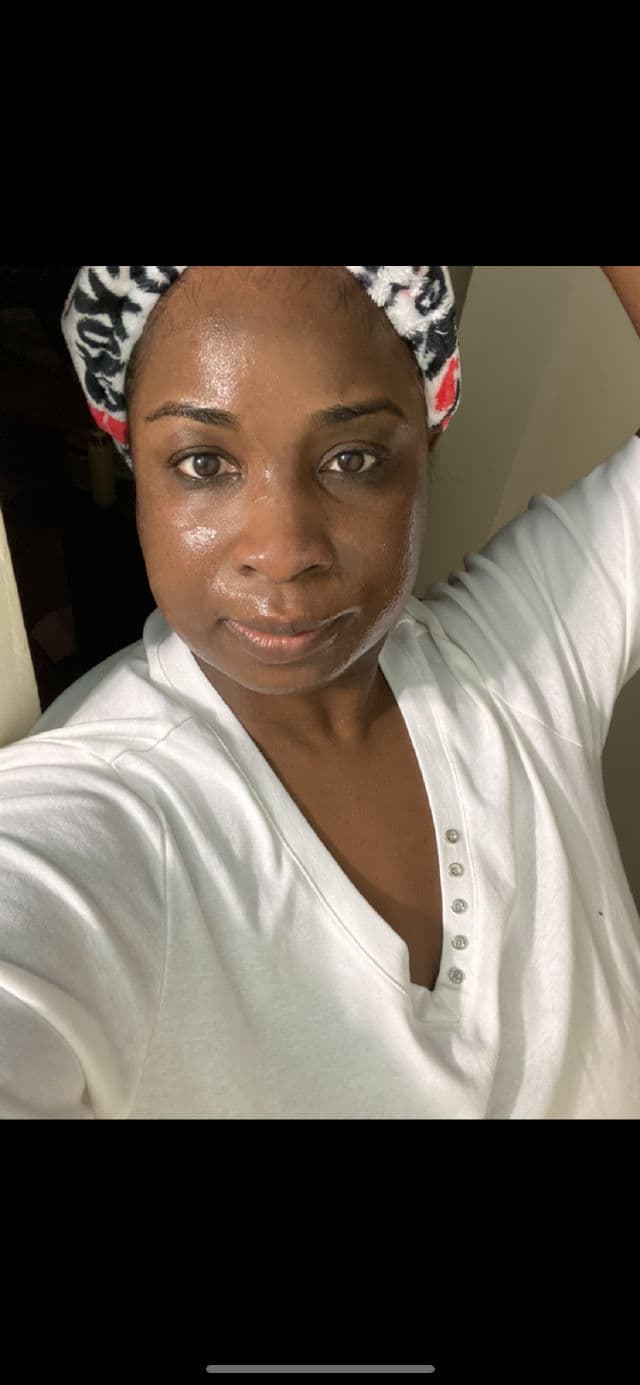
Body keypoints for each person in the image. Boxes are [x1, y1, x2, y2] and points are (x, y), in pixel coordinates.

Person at [0, 264, 638, 1120]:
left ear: (427, 445)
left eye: (352, 458)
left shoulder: (523, 656)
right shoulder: (79, 828)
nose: (282, 549)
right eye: (203, 462)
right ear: (135, 470)